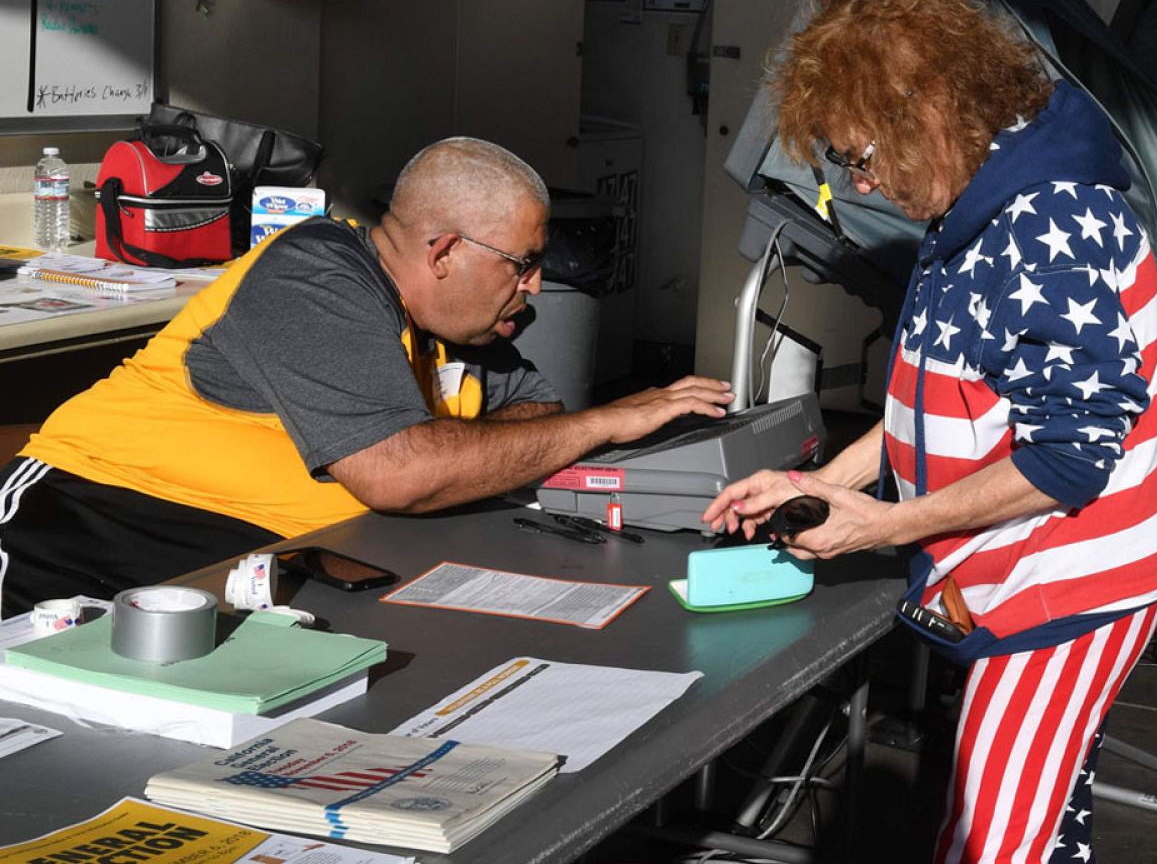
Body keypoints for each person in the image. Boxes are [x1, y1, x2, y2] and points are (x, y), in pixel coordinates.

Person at [701, 0, 1157, 862]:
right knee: (1034, 833)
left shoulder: (1048, 225)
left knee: (989, 845)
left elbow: (1069, 461)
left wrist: (885, 524)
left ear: (929, 112)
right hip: (1029, 583)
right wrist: (822, 484)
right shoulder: (983, 199)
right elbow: (943, 404)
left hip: (1072, 595)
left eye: (862, 156)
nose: (862, 183)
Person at [0, 137, 732, 616]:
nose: (536, 286)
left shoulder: (464, 323)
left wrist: (443, 445)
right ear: (444, 252)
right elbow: (400, 476)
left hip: (248, 568)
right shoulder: (316, 274)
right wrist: (608, 419)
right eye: (522, 263)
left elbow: (537, 413)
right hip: (83, 536)